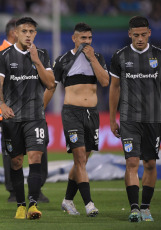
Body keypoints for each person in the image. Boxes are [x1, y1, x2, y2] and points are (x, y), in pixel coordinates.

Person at [43, 22, 109, 217]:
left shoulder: (97, 57)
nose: (86, 42)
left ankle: (67, 200)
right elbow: (51, 87)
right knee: (80, 158)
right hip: (72, 112)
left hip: (92, 113)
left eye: (89, 38)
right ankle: (89, 204)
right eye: (83, 38)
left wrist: (92, 60)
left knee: (83, 160)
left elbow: (105, 82)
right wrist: (39, 111)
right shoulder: (63, 60)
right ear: (74, 38)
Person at [0, 17, 55, 220]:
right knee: (17, 161)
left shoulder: (43, 55)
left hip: (35, 117)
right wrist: (2, 105)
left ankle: (33, 205)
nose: (28, 35)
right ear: (16, 33)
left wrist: (36, 61)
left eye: (32, 31)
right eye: (25, 31)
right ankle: (20, 205)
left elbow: (50, 84)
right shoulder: (4, 55)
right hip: (12, 119)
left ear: (35, 33)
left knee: (36, 157)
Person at [109, 15, 160, 222]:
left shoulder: (158, 55)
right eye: (136, 35)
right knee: (131, 162)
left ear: (149, 33)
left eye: (143, 34)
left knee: (149, 163)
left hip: (154, 119)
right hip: (129, 118)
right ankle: (134, 208)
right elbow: (115, 87)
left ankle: (146, 208)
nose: (140, 38)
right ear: (130, 34)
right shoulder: (120, 56)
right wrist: (112, 118)